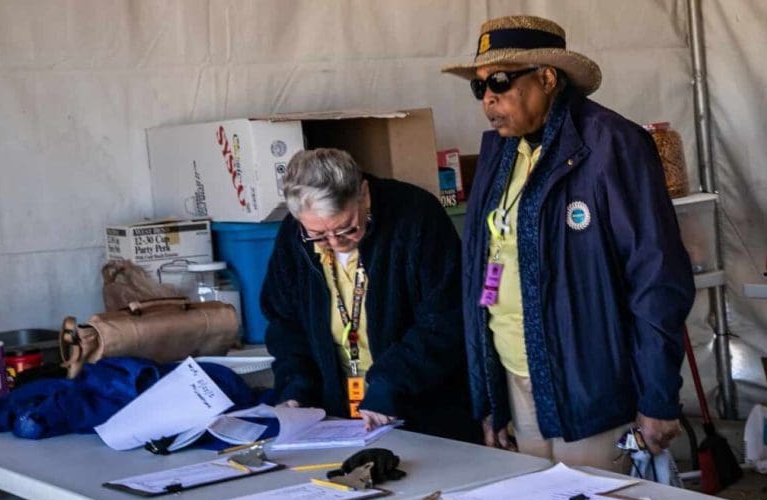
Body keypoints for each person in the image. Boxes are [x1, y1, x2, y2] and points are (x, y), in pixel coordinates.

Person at [442, 15, 695, 470]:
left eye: (500, 82)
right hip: (515, 377)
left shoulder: (612, 145)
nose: (489, 101)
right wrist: (488, 397)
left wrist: (659, 397)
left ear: (547, 77)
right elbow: (479, 273)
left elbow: (657, 277)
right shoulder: (499, 151)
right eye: (480, 88)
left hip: (590, 384)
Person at [260, 148, 479, 442]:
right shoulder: (294, 235)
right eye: (319, 236)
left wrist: (390, 383)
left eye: (347, 228)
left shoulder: (416, 217)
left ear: (363, 193)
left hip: (423, 407)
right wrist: (295, 388)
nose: (335, 243)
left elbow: (445, 320)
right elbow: (284, 322)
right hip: (338, 415)